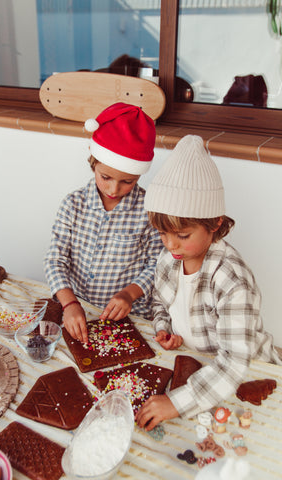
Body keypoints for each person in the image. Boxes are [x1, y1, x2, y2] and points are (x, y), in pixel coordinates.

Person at [135, 135, 282, 431]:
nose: (171, 245)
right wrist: (164, 327)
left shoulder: (233, 281)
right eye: (162, 234)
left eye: (183, 235)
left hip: (245, 370)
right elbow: (160, 303)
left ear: (215, 223)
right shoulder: (168, 261)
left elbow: (233, 362)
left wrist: (176, 402)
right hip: (198, 363)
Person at [44, 102, 163, 343]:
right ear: (93, 163)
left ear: (139, 175)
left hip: (128, 316)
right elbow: (54, 260)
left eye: (127, 182)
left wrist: (129, 295)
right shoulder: (73, 204)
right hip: (76, 311)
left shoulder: (149, 211)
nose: (114, 189)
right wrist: (69, 303)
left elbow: (158, 265)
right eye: (105, 177)